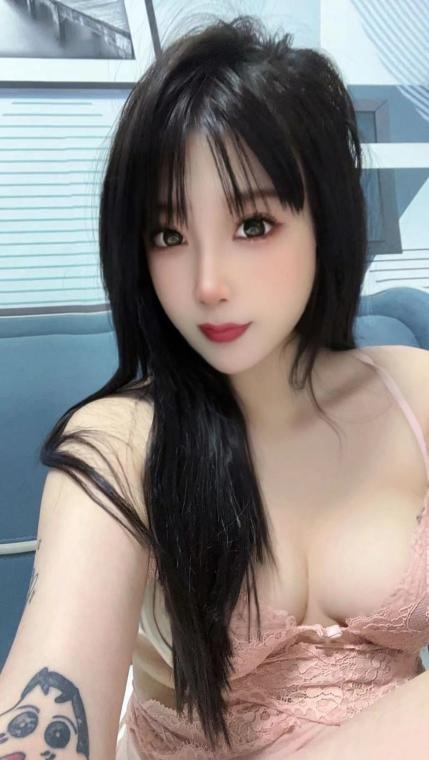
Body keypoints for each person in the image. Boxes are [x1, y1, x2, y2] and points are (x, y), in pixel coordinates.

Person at [1, 14, 428, 760]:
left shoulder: (414, 394)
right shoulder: (120, 444)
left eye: (253, 224)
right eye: (169, 235)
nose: (206, 284)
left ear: (323, 219)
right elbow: (49, 691)